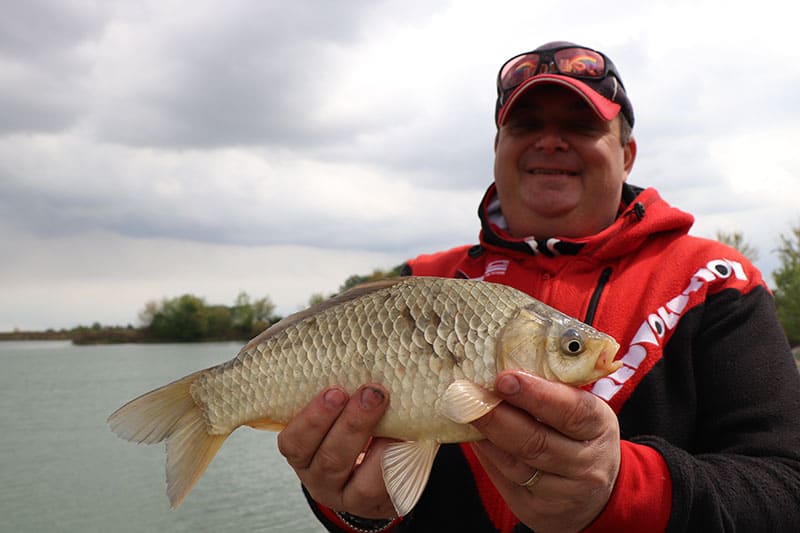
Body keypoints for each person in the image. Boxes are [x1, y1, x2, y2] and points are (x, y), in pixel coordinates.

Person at [276, 41, 800, 532]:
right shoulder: (421, 282)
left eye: (581, 124)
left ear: (628, 154)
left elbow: (786, 491)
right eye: (526, 124)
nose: (551, 141)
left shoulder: (712, 279)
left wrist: (622, 491)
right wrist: (348, 507)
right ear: (498, 146)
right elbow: (378, 494)